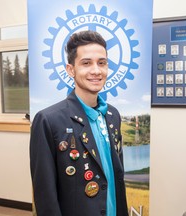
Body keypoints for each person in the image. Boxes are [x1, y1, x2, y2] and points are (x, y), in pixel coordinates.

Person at [30, 30, 128, 216]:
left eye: (102, 63)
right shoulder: (48, 120)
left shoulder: (113, 115)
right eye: (86, 63)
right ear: (71, 70)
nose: (96, 71)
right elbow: (45, 196)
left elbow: (117, 177)